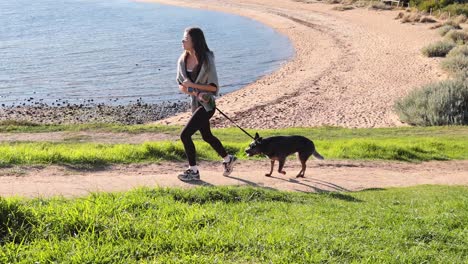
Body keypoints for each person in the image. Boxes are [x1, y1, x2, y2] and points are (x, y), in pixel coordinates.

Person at [176, 27, 237, 182]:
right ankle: (228, 158)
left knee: (185, 135)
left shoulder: (207, 60)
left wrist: (195, 87)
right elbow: (181, 85)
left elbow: (214, 87)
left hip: (207, 106)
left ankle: (193, 171)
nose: (182, 41)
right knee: (207, 136)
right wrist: (196, 93)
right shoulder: (182, 60)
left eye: (185, 39)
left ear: (194, 41)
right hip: (196, 104)